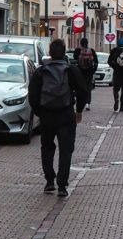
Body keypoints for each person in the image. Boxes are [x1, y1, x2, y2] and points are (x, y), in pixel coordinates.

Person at [28, 38, 89, 197]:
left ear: (50, 52)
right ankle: (62, 185)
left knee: (47, 147)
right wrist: (79, 110)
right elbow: (83, 91)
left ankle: (49, 181)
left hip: (47, 115)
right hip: (66, 114)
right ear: (64, 52)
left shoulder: (41, 71)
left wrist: (40, 112)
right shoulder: (71, 70)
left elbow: (32, 95)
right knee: (66, 150)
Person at [73, 37, 98, 110]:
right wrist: (93, 71)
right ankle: (88, 103)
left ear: (80, 43)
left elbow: (75, 59)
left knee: (79, 88)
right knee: (88, 88)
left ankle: (79, 102)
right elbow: (96, 62)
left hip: (79, 72)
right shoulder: (92, 51)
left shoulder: (77, 50)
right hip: (89, 72)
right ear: (87, 43)